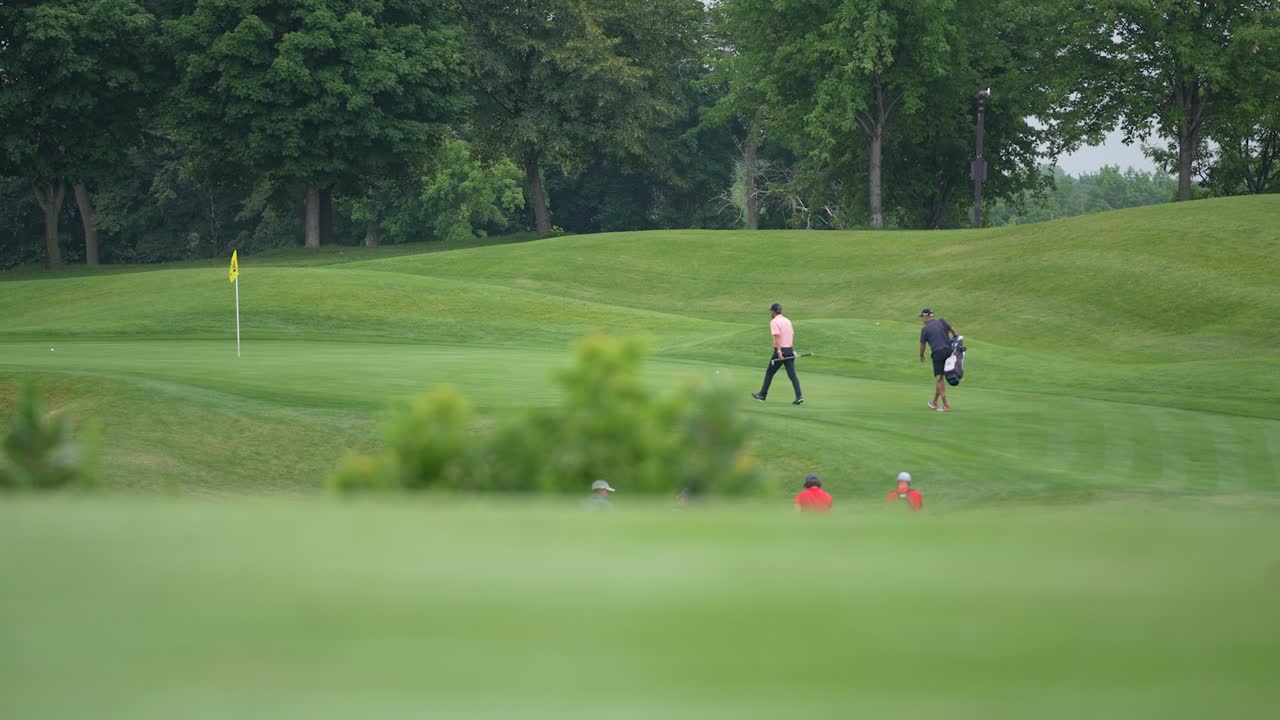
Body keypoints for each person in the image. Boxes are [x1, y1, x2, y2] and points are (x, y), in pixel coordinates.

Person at [752, 303, 804, 405]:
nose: (770, 312)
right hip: (789, 349)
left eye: (771, 311)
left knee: (769, 373)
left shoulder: (774, 322)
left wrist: (779, 351)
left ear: (773, 311)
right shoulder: (787, 320)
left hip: (781, 351)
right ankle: (799, 396)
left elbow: (777, 337)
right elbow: (792, 334)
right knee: (792, 374)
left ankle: (762, 395)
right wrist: (791, 348)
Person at [918, 308, 959, 412]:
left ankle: (946, 405)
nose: (922, 319)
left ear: (926, 316)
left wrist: (921, 355)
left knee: (939, 378)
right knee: (940, 377)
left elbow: (922, 345)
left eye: (922, 317)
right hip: (949, 351)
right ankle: (934, 401)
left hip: (938, 353)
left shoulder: (925, 329)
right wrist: (956, 339)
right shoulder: (942, 321)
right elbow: (954, 332)